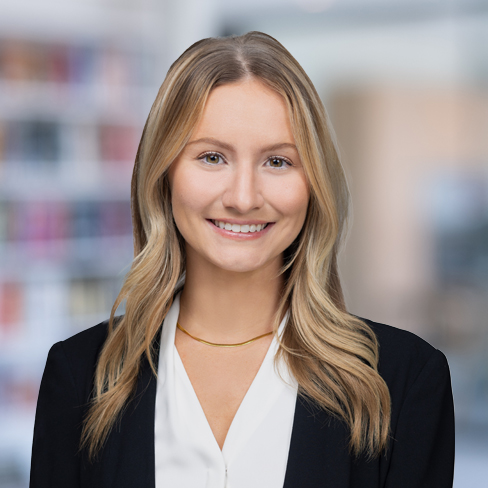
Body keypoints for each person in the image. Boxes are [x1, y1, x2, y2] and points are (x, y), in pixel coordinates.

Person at [29, 31, 455, 488]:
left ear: (314, 185)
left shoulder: (402, 382)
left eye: (278, 162)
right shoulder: (80, 376)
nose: (244, 197)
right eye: (212, 157)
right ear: (163, 174)